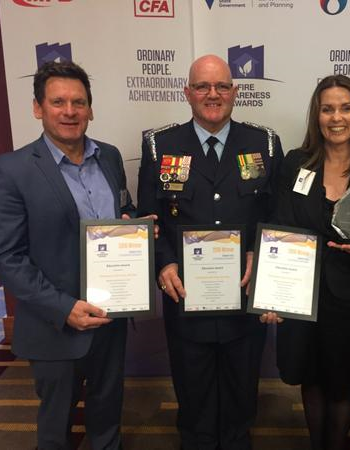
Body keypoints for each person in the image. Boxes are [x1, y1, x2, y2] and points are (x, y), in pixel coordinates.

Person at [0, 61, 145, 450]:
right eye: (58, 102)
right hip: (54, 326)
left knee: (108, 415)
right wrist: (64, 307)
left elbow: (122, 210)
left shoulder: (109, 157)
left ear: (90, 108)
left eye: (78, 102)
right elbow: (5, 257)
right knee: (56, 429)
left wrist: (133, 224)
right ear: (37, 107)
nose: (69, 112)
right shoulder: (11, 170)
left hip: (110, 317)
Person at [136, 54, 283, 450]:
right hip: (186, 298)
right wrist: (164, 262)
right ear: (187, 92)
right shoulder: (160, 145)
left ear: (235, 92)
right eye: (202, 86)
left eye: (221, 86)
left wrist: (258, 253)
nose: (212, 94)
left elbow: (277, 215)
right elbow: (149, 220)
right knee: (194, 400)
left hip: (243, 298)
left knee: (241, 397)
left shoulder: (264, 143)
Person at [263, 74, 350, 450]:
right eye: (327, 109)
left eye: (345, 108)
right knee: (310, 382)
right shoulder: (295, 164)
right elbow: (278, 227)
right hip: (299, 298)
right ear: (317, 115)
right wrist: (271, 293)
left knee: (341, 387)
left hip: (349, 299)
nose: (336, 117)